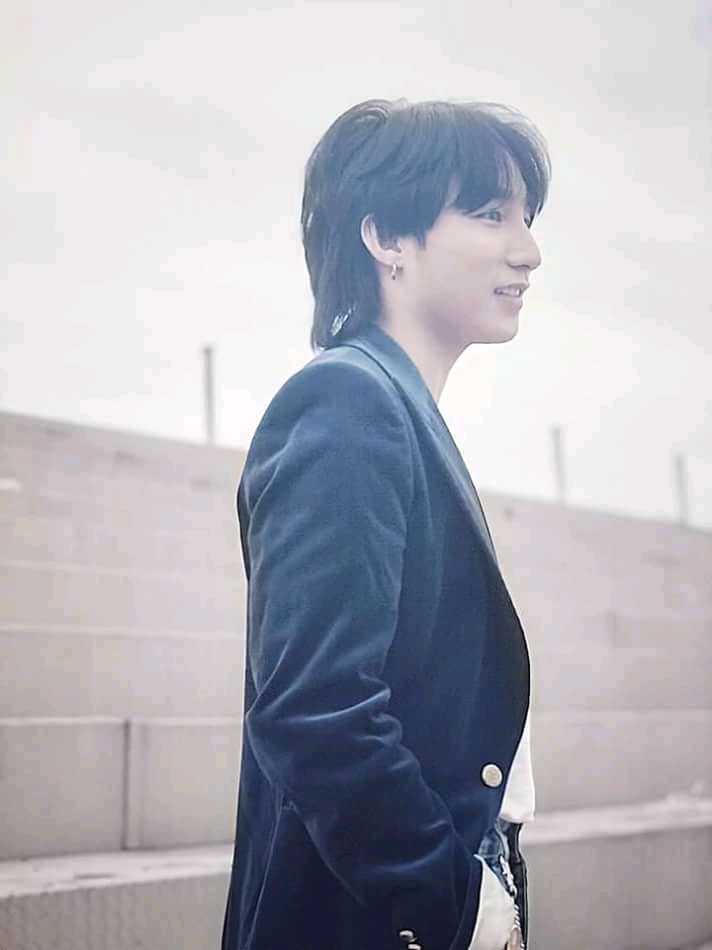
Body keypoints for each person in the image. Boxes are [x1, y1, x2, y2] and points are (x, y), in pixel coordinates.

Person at [221, 97, 551, 950]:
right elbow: (316, 707)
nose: (527, 250)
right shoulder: (346, 401)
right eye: (490, 214)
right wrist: (451, 901)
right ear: (386, 237)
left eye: (527, 218)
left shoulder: (398, 410)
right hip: (384, 912)